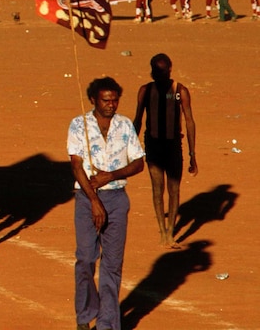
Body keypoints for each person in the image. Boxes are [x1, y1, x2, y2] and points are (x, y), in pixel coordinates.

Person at [68, 77, 145, 330]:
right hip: (86, 199)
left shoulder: (124, 125)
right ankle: (85, 313)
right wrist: (93, 199)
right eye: (105, 100)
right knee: (86, 258)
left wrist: (110, 176)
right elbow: (77, 165)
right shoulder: (79, 125)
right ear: (93, 100)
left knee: (112, 264)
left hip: (117, 198)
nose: (111, 104)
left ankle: (107, 323)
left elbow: (138, 162)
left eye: (114, 100)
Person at [133, 54, 197, 249]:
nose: (158, 75)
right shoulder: (145, 91)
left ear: (170, 69)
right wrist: (130, 147)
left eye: (162, 71)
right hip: (153, 144)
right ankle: (163, 231)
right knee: (157, 188)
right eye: (156, 71)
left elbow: (189, 121)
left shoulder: (179, 91)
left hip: (173, 145)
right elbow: (138, 120)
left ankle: (170, 232)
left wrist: (192, 154)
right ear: (152, 70)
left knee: (174, 188)